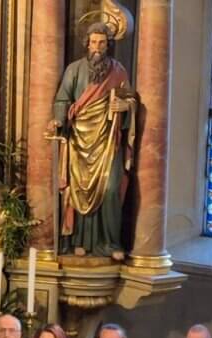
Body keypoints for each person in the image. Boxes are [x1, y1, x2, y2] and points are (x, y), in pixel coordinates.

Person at [47, 22, 136, 260]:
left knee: (110, 188)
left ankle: (111, 242)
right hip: (80, 139)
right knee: (80, 189)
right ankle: (80, 240)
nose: (97, 47)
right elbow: (62, 99)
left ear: (108, 45)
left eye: (102, 43)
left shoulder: (118, 71)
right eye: (94, 42)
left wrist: (125, 106)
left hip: (108, 140)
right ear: (87, 44)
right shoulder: (74, 70)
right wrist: (58, 120)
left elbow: (130, 99)